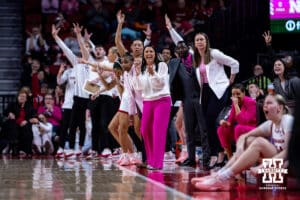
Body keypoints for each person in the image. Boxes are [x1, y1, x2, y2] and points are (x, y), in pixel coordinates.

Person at [192, 94, 293, 191]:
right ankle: (220, 175)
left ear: (279, 107)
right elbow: (244, 136)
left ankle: (223, 177)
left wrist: (262, 167)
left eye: (269, 103)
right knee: (248, 140)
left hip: (290, 167)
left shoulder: (287, 121)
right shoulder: (271, 123)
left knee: (259, 142)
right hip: (278, 164)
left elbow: (289, 152)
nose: (265, 106)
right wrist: (240, 148)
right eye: (265, 103)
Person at [166, 15, 210, 167]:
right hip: (186, 100)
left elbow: (179, 39)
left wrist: (171, 29)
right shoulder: (175, 64)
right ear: (176, 53)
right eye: (178, 48)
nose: (181, 48)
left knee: (203, 130)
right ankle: (191, 158)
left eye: (183, 46)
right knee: (188, 130)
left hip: (200, 97)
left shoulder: (196, 57)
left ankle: (206, 157)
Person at [193, 32, 239, 168]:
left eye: (202, 39)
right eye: (197, 40)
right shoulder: (196, 57)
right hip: (205, 91)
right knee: (207, 123)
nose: (200, 42)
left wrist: (231, 79)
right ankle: (216, 153)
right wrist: (171, 28)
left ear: (206, 41)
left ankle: (219, 153)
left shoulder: (214, 53)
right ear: (194, 44)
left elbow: (234, 63)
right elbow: (180, 41)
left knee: (213, 121)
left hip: (218, 90)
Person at [133, 45, 171, 170]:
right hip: (148, 101)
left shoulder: (162, 66)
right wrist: (137, 75)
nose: (149, 53)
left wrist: (153, 73)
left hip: (162, 100)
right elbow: (138, 87)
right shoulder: (142, 68)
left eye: (151, 51)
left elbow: (161, 84)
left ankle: (158, 163)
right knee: (144, 130)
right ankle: (150, 160)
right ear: (144, 54)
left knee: (157, 131)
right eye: (147, 52)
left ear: (155, 54)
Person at [217, 84, 257, 160]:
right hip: (241, 129)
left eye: (238, 94)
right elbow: (230, 122)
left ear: (244, 93)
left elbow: (243, 121)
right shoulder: (235, 103)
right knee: (221, 129)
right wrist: (224, 123)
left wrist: (236, 105)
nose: (235, 96)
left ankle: (240, 158)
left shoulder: (250, 102)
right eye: (233, 94)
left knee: (238, 128)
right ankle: (230, 157)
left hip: (252, 129)